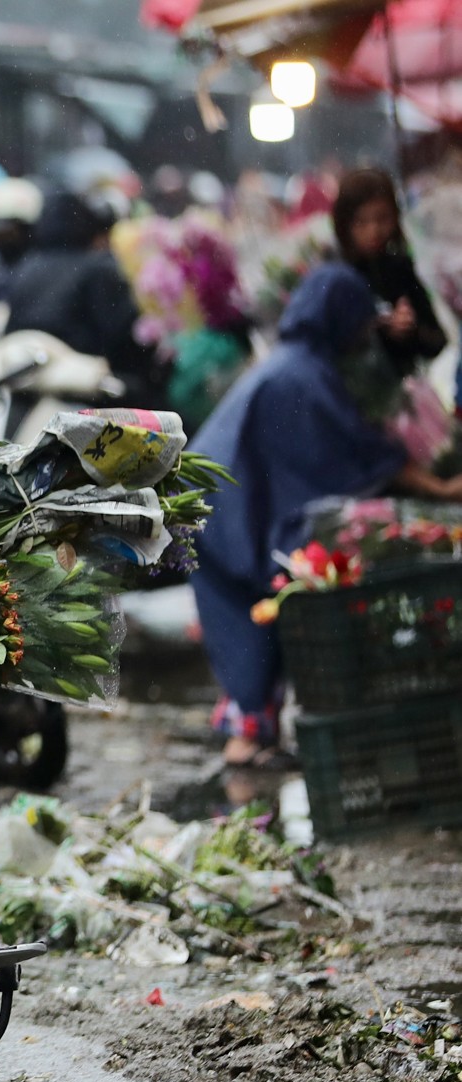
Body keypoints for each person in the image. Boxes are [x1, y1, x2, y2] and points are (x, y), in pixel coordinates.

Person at [191, 263, 462, 767]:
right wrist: (442, 488)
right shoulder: (304, 375)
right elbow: (356, 450)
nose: (363, 331)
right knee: (251, 625)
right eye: (359, 318)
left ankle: (253, 741)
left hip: (221, 510)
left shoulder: (298, 363)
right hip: (225, 515)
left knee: (254, 625)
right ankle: (247, 746)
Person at [4, 189, 154, 396]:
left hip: (21, 381)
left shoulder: (26, 266)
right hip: (81, 386)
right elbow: (123, 336)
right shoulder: (98, 268)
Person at [332, 168, 446, 378]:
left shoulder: (399, 268)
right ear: (344, 224)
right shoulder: (333, 276)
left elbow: (438, 340)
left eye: (382, 218)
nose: (373, 230)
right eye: (361, 221)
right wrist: (377, 330)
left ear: (395, 217)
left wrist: (410, 332)